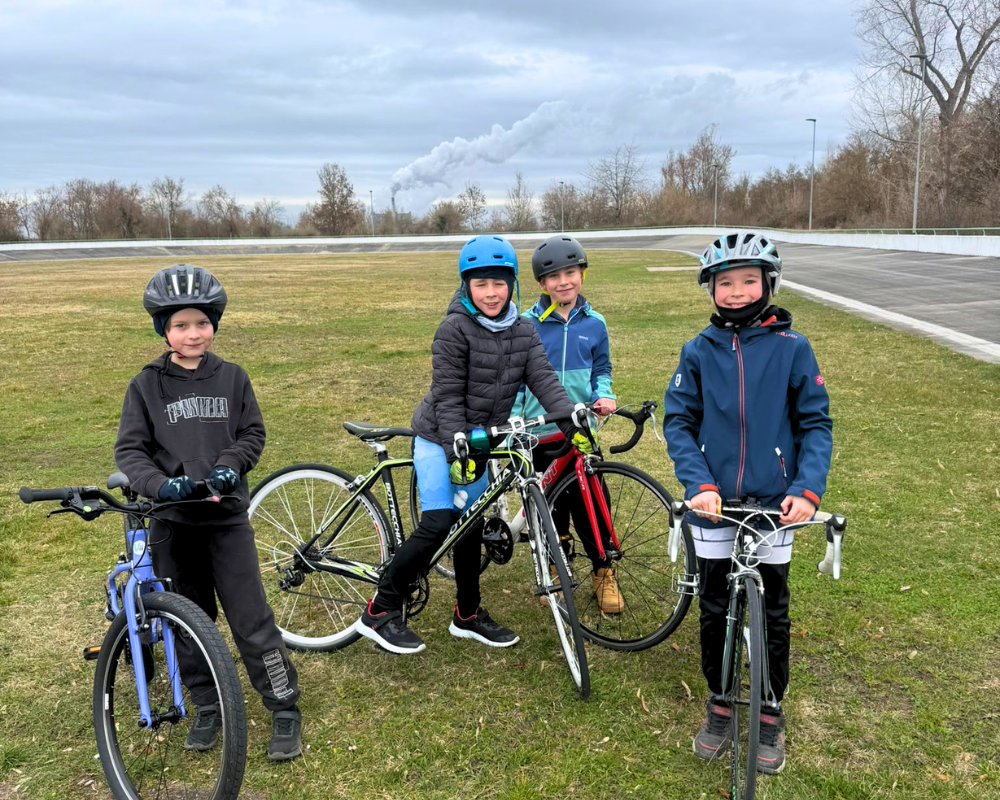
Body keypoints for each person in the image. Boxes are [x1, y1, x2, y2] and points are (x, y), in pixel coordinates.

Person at [354, 235, 584, 654]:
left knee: (472, 523)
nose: (491, 293)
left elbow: (545, 380)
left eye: (499, 283)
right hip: (440, 435)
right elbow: (446, 395)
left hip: (479, 441)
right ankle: (379, 610)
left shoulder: (523, 329)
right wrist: (454, 443)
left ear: (512, 284)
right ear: (466, 287)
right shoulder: (454, 328)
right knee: (440, 521)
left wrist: (571, 419)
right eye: (481, 284)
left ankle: (467, 614)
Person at [114, 264, 303, 762]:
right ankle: (205, 705)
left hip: (226, 520)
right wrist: (159, 484)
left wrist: (229, 466)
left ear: (214, 323)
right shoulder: (146, 386)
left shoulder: (233, 378)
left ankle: (284, 708)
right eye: (179, 325)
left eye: (200, 322)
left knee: (251, 617)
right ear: (164, 330)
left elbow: (252, 435)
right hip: (174, 524)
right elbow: (130, 452)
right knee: (188, 620)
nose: (191, 333)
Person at [662, 231, 832, 775]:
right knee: (714, 606)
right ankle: (719, 699)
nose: (735, 292)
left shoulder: (792, 348)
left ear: (768, 284)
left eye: (747, 282)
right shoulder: (697, 350)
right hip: (714, 503)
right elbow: (679, 422)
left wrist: (806, 489)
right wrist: (698, 483)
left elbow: (815, 423)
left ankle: (769, 710)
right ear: (710, 288)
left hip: (775, 502)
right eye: (724, 283)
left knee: (772, 611)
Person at [517, 235, 622, 614]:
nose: (564, 281)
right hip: (538, 430)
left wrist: (604, 394)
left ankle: (602, 570)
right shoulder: (526, 325)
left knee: (591, 502)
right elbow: (516, 376)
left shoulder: (595, 323)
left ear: (582, 274)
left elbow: (602, 368)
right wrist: (517, 417)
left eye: (570, 272)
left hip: (580, 429)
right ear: (542, 284)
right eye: (554, 276)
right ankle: (554, 566)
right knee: (550, 506)